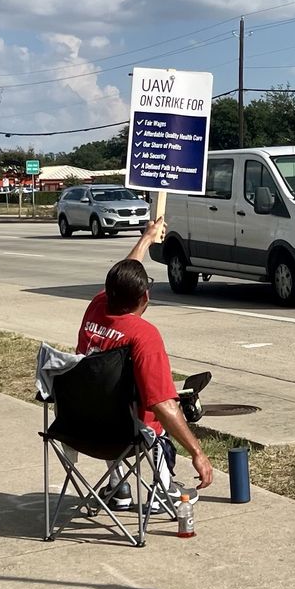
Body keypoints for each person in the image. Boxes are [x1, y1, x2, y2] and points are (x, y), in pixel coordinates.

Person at [76, 217, 214, 509]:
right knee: (157, 417)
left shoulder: (97, 306)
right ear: (144, 297)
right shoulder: (143, 336)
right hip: (127, 432)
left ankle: (117, 487)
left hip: (82, 424)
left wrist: (148, 238)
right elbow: (163, 405)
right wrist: (197, 452)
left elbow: (123, 274)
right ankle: (165, 490)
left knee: (109, 400)